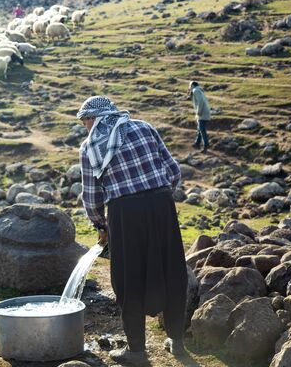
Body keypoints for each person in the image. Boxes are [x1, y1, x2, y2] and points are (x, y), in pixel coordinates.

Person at [78, 96, 187, 366]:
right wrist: (158, 199)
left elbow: (91, 198)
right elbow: (173, 171)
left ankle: (137, 351)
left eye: (84, 122)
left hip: (124, 214)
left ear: (93, 118)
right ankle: (178, 342)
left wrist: (101, 225)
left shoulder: (90, 147)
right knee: (172, 270)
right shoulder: (145, 127)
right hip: (161, 206)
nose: (85, 128)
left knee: (129, 278)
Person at [189, 81, 210, 153]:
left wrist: (199, 111)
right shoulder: (200, 90)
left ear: (192, 85)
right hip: (205, 112)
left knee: (202, 130)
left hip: (202, 112)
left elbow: (200, 101)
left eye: (189, 86)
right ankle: (197, 143)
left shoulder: (195, 90)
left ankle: (206, 146)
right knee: (200, 129)